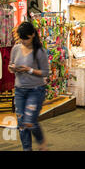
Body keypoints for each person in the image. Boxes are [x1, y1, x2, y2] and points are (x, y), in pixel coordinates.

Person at [9, 21, 50, 151]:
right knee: (21, 123)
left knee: (29, 121)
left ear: (32, 35)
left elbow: (45, 72)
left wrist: (29, 70)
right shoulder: (16, 48)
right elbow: (10, 66)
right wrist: (13, 68)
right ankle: (27, 149)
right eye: (21, 38)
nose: (23, 41)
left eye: (25, 38)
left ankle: (41, 141)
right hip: (20, 89)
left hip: (36, 90)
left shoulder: (39, 51)